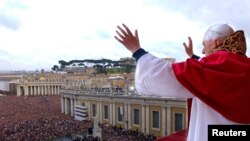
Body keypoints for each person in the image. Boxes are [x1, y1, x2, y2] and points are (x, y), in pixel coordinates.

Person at [114, 23, 250, 141]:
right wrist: (193, 56)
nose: (203, 50)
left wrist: (137, 51)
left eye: (204, 45)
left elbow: (164, 75)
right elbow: (209, 73)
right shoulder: (244, 66)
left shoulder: (209, 68)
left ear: (217, 43)